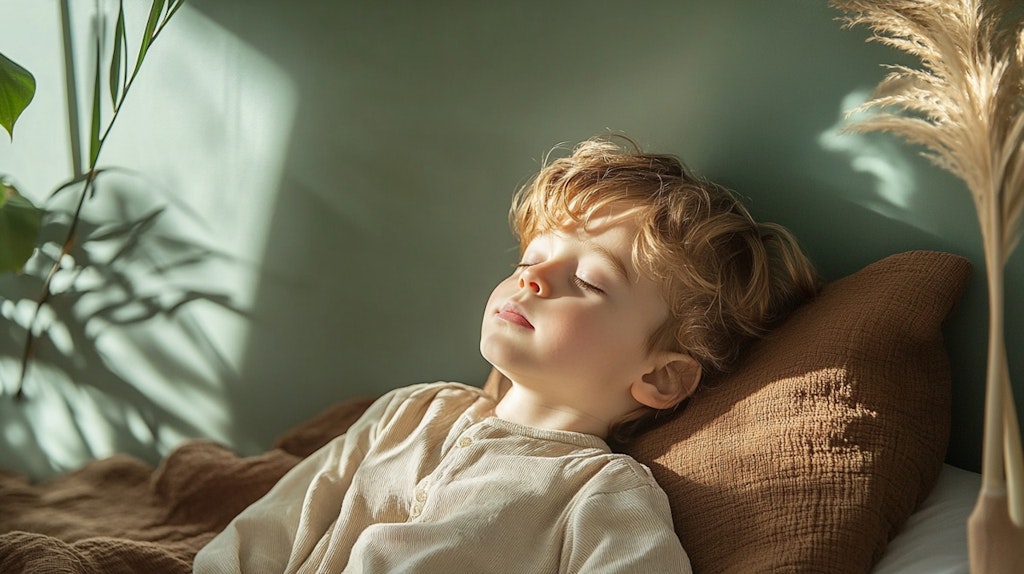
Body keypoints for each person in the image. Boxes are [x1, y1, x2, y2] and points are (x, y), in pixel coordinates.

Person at [193, 135, 818, 573]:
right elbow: (265, 533)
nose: (532, 280)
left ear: (659, 377)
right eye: (529, 260)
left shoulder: (597, 494)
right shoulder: (408, 413)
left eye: (590, 282)